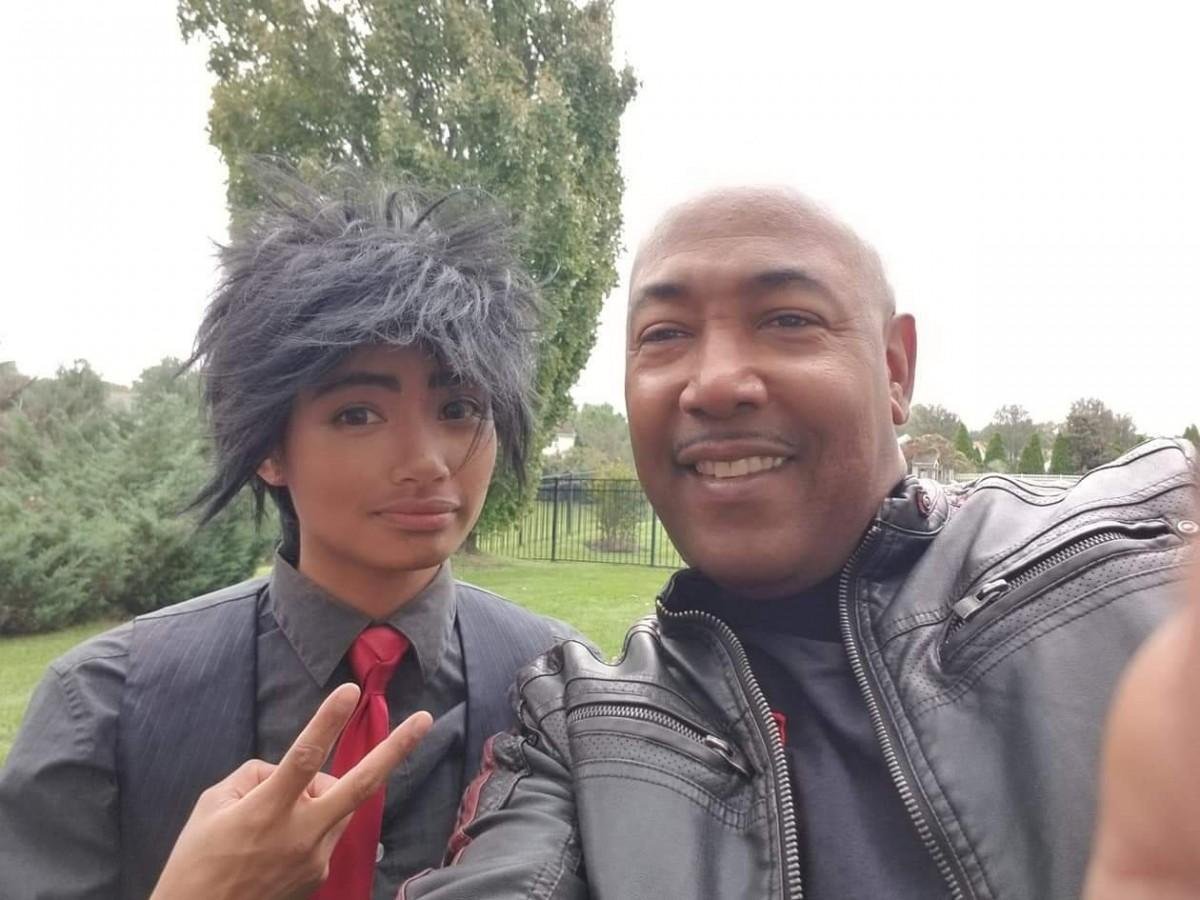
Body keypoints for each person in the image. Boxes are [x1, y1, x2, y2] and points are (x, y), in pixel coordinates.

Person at [136, 186, 1198, 900]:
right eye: (665, 335)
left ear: (894, 367)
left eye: (787, 319)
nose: (716, 380)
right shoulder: (576, 729)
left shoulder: (1132, 555)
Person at [0, 169, 581, 900]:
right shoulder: (105, 706)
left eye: (460, 409)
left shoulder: (565, 691)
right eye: (358, 414)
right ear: (269, 448)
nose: (428, 462)